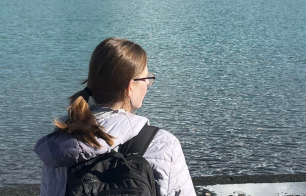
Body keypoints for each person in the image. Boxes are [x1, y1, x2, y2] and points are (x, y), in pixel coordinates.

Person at [34, 37, 195, 196]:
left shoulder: (60, 143)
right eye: (146, 78)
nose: (148, 84)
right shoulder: (162, 144)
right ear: (130, 87)